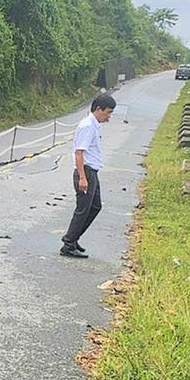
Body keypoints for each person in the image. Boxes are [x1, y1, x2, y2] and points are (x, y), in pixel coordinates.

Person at [59, 93, 116, 258]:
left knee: (95, 206)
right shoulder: (87, 126)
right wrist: (83, 178)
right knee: (83, 209)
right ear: (98, 109)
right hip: (86, 171)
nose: (109, 117)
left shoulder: (94, 125)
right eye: (108, 112)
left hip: (92, 171)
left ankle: (73, 238)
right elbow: (79, 153)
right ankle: (68, 244)